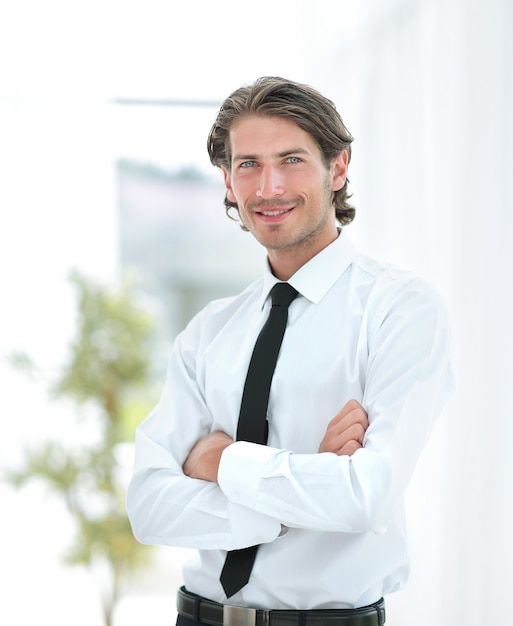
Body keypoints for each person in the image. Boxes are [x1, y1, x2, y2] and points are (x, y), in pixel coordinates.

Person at [127, 77, 453, 626]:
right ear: (228, 181)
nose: (269, 187)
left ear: (339, 167)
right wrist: (298, 493)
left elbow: (363, 497)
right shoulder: (209, 331)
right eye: (248, 164)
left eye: (292, 159)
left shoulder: (400, 309)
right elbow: (150, 508)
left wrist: (220, 461)